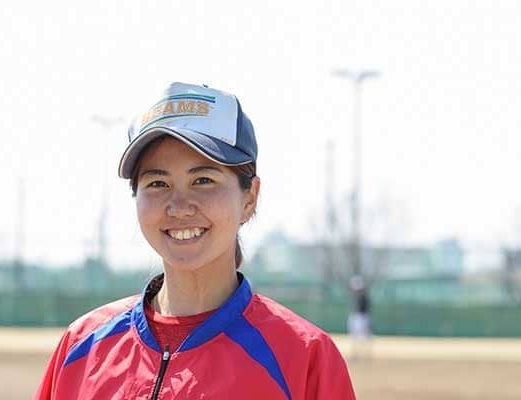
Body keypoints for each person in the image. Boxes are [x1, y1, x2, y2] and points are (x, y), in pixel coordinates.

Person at [33, 82, 356, 399]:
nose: (179, 207)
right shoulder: (82, 346)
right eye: (158, 183)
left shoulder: (303, 357)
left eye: (203, 180)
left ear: (249, 198)